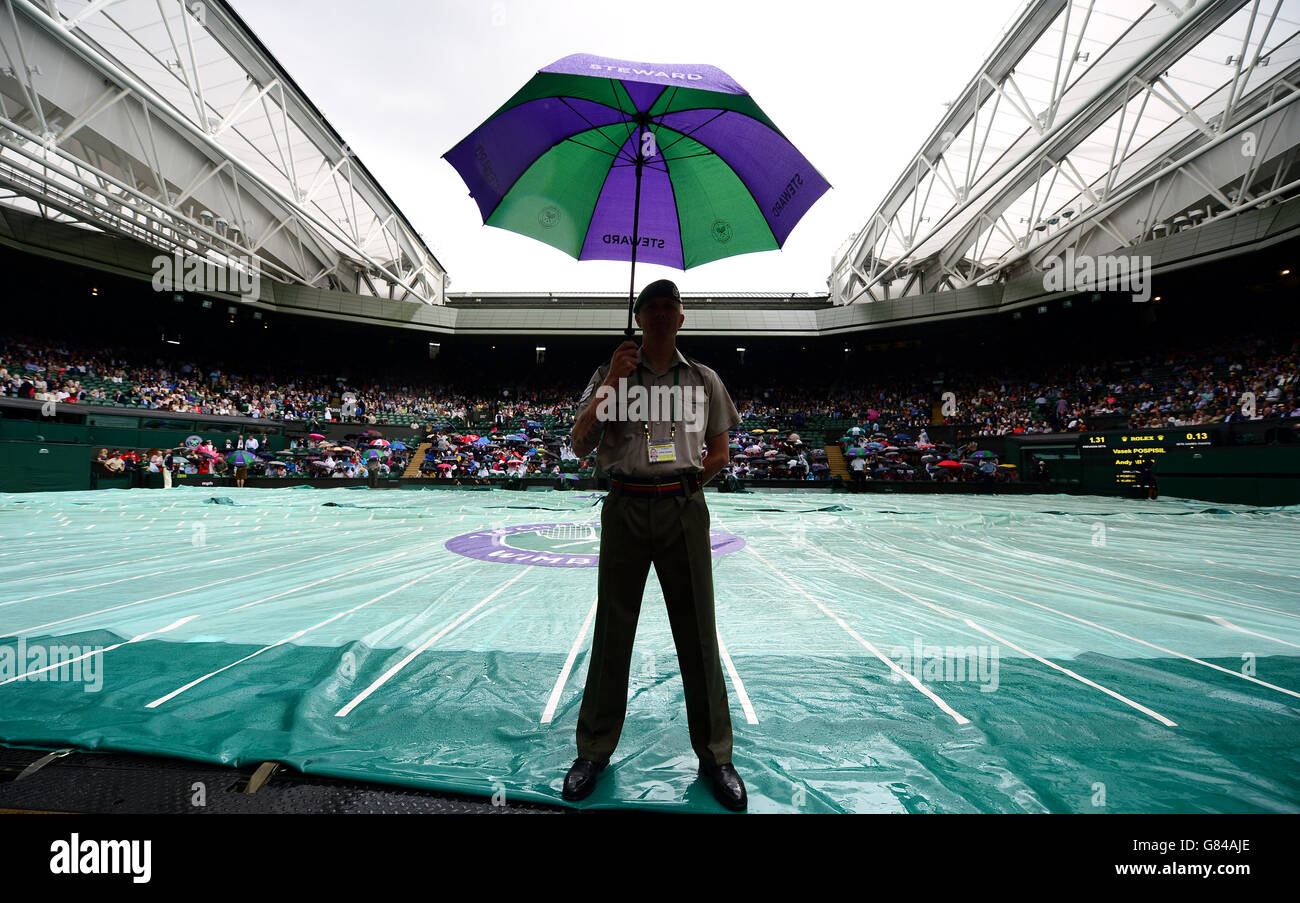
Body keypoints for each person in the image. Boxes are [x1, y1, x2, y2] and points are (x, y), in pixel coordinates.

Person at [562, 279, 746, 811]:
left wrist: (684, 485)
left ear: (682, 318)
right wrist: (613, 384)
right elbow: (578, 444)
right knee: (612, 631)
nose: (662, 314)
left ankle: (716, 756)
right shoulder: (609, 373)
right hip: (624, 505)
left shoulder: (704, 379)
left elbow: (719, 450)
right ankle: (593, 750)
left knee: (697, 632)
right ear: (639, 317)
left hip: (682, 509)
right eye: (652, 307)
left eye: (671, 306)